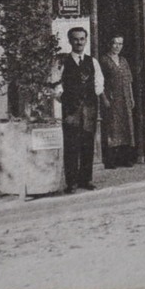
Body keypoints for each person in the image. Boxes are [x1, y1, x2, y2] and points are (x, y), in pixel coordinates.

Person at [51, 27, 103, 192]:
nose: (79, 42)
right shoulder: (62, 62)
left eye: (82, 39)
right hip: (71, 110)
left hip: (89, 108)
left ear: (86, 40)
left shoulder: (92, 61)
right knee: (71, 144)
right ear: (70, 41)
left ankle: (85, 180)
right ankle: (71, 182)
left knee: (88, 144)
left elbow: (99, 82)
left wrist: (90, 95)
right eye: (75, 39)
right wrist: (65, 98)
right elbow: (55, 84)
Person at [97, 35, 138, 169]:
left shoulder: (123, 60)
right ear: (110, 44)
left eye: (120, 44)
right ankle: (111, 160)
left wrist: (131, 97)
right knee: (112, 128)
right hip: (112, 98)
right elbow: (99, 82)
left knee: (126, 127)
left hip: (125, 98)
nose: (117, 47)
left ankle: (124, 159)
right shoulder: (103, 60)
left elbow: (129, 81)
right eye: (115, 43)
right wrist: (104, 98)